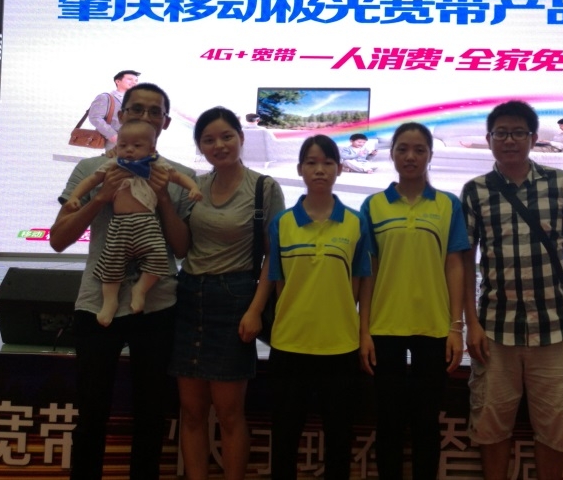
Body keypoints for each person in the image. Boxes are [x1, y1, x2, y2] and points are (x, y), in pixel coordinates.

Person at [50, 82, 194, 480]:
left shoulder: (178, 175)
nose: (145, 116)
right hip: (98, 304)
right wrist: (100, 196)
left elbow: (182, 249)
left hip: (158, 305)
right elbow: (58, 240)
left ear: (165, 123)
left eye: (154, 111)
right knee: (91, 411)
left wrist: (163, 198)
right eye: (136, 109)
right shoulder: (91, 170)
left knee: (151, 413)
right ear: (121, 114)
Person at [459, 101, 563, 480]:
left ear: (533, 139)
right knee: (491, 428)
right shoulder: (475, 191)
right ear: (489, 139)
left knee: (555, 429)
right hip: (495, 332)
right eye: (501, 133)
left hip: (553, 328)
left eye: (518, 132)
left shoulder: (559, 183)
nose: (509, 140)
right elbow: (465, 261)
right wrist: (471, 323)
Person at [169, 106, 284, 480]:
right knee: (191, 412)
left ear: (241, 138)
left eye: (226, 136)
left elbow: (273, 256)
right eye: (208, 140)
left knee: (230, 413)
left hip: (235, 299)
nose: (218, 145)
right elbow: (183, 248)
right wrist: (163, 201)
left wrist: (255, 309)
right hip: (190, 296)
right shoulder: (195, 187)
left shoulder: (264, 188)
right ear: (200, 146)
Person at [359, 122, 470, 479]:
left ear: (430, 155)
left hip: (433, 328)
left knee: (426, 421)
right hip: (384, 327)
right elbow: (369, 271)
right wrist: (364, 330)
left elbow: (455, 266)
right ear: (391, 154)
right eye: (402, 149)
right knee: (388, 421)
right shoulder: (373, 206)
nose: (410, 157)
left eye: (419, 150)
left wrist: (456, 327)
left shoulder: (447, 205)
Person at [266, 134, 372, 480]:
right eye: (311, 163)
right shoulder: (282, 223)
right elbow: (279, 284)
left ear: (339, 168)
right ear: (300, 169)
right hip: (289, 344)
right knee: (285, 438)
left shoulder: (355, 222)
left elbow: (360, 283)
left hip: (340, 346)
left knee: (339, 440)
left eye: (327, 162)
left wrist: (362, 331)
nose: (320, 170)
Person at [64, 120, 202, 326]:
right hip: (120, 225)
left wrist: (194, 188)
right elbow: (91, 180)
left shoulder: (156, 164)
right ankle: (109, 302)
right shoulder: (113, 164)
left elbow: (178, 177)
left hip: (148, 225)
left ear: (152, 149)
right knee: (111, 265)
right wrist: (75, 196)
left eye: (137, 146)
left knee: (158, 260)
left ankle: (141, 290)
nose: (129, 150)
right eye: (123, 145)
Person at [88, 70, 141, 149]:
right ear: (118, 81)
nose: (134, 82)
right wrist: (112, 135)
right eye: (130, 79)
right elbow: (95, 118)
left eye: (136, 80)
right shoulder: (105, 97)